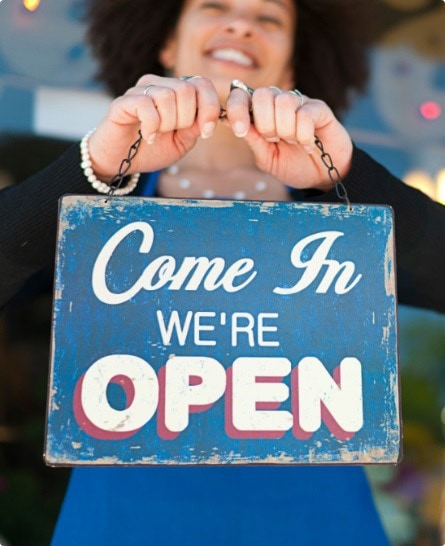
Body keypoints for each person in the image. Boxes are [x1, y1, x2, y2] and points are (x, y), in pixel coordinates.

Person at [0, 0, 444, 544]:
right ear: (166, 43)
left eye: (270, 19)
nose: (241, 24)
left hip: (318, 523)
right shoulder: (106, 202)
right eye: (215, 6)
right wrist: (94, 167)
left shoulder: (332, 209)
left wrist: (346, 179)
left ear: (292, 65)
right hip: (126, 524)